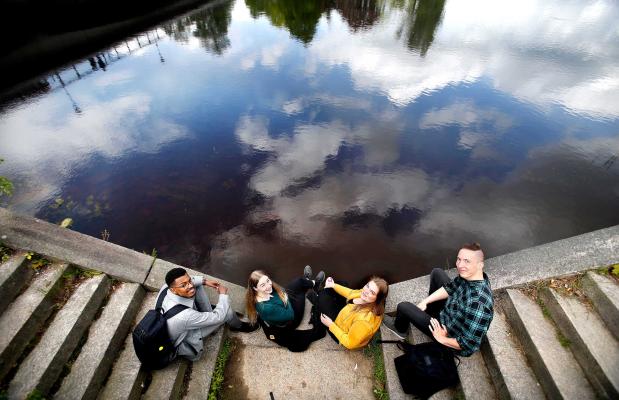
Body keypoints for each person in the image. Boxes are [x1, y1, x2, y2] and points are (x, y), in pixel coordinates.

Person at [382, 243, 494, 357]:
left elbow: (468, 345)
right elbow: (450, 288)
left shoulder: (478, 305)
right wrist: (426, 301)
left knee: (403, 307)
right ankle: (430, 310)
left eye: (467, 261)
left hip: (447, 333)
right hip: (451, 313)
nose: (460, 265)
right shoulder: (473, 276)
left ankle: (400, 329)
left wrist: (441, 338)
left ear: (480, 265)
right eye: (459, 259)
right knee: (437, 273)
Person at [159, 267, 256, 362]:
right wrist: (223, 295)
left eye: (189, 281)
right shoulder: (184, 316)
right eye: (183, 285)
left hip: (178, 325)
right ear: (173, 290)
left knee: (197, 286)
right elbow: (219, 317)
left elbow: (189, 279)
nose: (189, 285)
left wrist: (205, 281)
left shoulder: (166, 288)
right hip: (185, 339)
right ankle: (238, 326)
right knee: (227, 312)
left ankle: (209, 316)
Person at [245, 266, 326, 352]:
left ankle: (313, 283)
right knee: (300, 292)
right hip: (291, 318)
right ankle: (309, 282)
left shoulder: (259, 293)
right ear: (255, 288)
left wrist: (283, 297)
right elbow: (290, 315)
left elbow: (280, 292)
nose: (268, 286)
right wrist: (285, 299)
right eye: (262, 285)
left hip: (283, 300)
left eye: (268, 280)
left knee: (299, 281)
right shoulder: (267, 308)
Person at [308, 275, 389, 350]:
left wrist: (330, 325)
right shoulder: (366, 295)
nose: (366, 291)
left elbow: (350, 343)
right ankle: (320, 295)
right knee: (342, 283)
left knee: (323, 298)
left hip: (340, 329)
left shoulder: (364, 322)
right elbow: (352, 293)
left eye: (372, 292)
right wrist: (333, 285)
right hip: (347, 314)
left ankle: (318, 298)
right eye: (367, 286)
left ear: (378, 299)